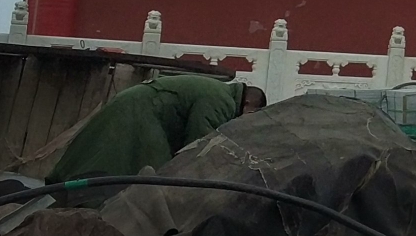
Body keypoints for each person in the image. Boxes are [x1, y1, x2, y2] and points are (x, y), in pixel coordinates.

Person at [46, 73, 265, 195]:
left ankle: (69, 193)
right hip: (141, 111)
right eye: (252, 115)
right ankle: (81, 201)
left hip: (141, 107)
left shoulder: (222, 95)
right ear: (247, 104)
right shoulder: (222, 101)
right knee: (152, 177)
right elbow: (199, 146)